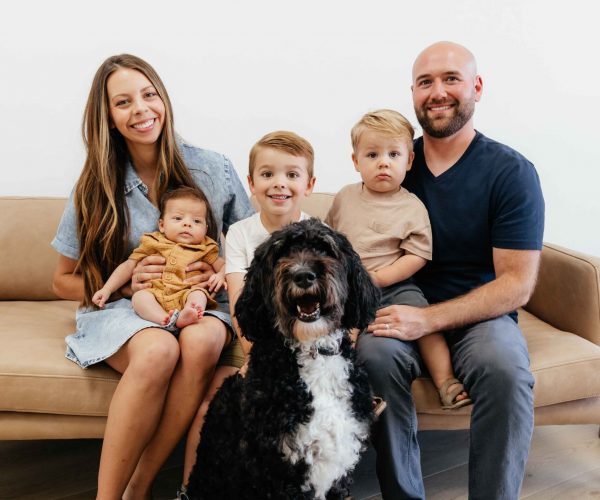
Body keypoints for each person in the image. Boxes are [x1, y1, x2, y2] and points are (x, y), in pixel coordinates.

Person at [51, 54, 253, 500]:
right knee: (159, 350)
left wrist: (220, 271)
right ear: (108, 117)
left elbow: (252, 248)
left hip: (199, 304)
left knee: (200, 341)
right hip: (127, 312)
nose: (141, 110)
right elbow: (61, 280)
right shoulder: (94, 185)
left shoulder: (213, 169)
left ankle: (138, 488)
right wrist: (124, 285)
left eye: (149, 94)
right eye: (123, 102)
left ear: (163, 97)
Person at [356, 42, 544, 499]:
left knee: (506, 370)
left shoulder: (510, 172)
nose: (437, 92)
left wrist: (428, 319)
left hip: (481, 315)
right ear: (414, 94)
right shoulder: (394, 163)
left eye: (451, 79)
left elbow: (517, 285)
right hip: (397, 307)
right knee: (373, 358)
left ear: (476, 87)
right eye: (425, 82)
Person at [326, 109, 471, 410]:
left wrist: (381, 277)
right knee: (341, 330)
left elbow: (418, 254)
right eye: (372, 154)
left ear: (409, 161)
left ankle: (445, 381)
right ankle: (343, 385)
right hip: (349, 287)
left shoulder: (411, 206)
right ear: (356, 161)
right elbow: (329, 238)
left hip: (396, 286)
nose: (383, 162)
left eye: (393, 154)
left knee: (425, 322)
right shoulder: (345, 198)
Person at [225, 130, 316, 362]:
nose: (279, 184)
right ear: (251, 183)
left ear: (309, 184)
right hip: (261, 335)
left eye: (292, 175)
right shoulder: (239, 233)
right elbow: (238, 297)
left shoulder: (319, 234)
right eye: (267, 174)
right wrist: (253, 355)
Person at [92, 187, 227, 330]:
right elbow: (128, 266)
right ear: (162, 225)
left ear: (205, 229)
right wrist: (107, 289)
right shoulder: (153, 242)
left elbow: (227, 266)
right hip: (155, 293)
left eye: (197, 221)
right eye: (178, 218)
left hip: (186, 293)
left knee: (199, 294)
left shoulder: (206, 248)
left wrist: (220, 275)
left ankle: (191, 312)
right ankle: (165, 320)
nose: (187, 224)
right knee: (139, 298)